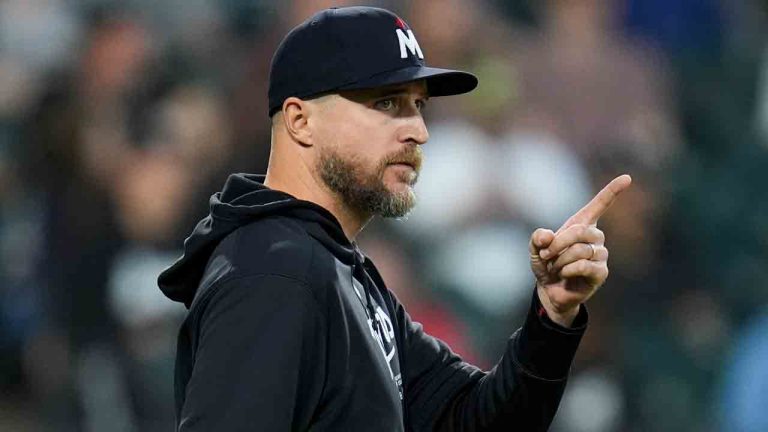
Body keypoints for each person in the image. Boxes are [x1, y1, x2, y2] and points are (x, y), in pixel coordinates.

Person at [157, 6, 631, 431]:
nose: (419, 131)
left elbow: (471, 419)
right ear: (301, 122)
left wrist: (552, 314)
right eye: (387, 103)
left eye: (419, 106)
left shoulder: (340, 271)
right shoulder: (275, 271)